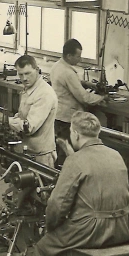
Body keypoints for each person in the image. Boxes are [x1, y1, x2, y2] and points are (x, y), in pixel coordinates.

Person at [27, 111, 129, 256]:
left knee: (45, 248)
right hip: (122, 229)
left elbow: (57, 204)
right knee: (80, 250)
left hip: (92, 230)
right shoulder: (115, 155)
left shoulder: (76, 161)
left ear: (75, 133)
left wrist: (51, 227)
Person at [0, 55, 58, 168]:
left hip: (40, 155)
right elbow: (22, 116)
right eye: (21, 74)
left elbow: (29, 127)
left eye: (28, 73)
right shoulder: (29, 88)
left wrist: (2, 118)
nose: (24, 78)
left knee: (41, 180)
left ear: (37, 70)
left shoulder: (44, 94)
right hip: (27, 150)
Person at [50, 38, 107, 167]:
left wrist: (84, 83)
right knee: (68, 152)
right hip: (68, 118)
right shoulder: (68, 73)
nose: (80, 59)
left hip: (59, 115)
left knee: (61, 148)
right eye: (78, 56)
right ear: (69, 56)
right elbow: (84, 98)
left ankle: (58, 173)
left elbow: (67, 83)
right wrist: (102, 98)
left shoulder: (57, 65)